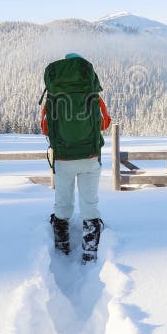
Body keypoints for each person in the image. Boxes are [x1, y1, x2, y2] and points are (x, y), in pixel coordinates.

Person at [40, 53, 112, 263]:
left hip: (63, 158)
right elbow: (104, 123)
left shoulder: (53, 95)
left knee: (63, 201)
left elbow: (45, 128)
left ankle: (62, 246)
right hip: (89, 156)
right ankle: (90, 249)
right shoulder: (92, 94)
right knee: (89, 202)